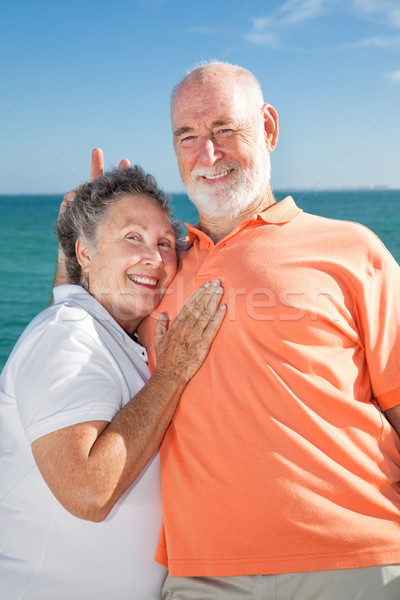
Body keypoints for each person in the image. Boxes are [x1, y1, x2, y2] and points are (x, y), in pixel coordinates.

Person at [136, 61, 400, 599]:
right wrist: (88, 228)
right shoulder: (155, 270)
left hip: (355, 561)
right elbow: (76, 302)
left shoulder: (353, 249)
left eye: (224, 130)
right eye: (188, 136)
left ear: (269, 128)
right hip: (203, 573)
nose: (207, 155)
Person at [0, 165, 225, 600]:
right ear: (85, 253)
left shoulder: (108, 337)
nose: (155, 258)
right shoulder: (65, 335)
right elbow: (88, 491)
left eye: (164, 243)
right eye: (132, 237)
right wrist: (174, 373)